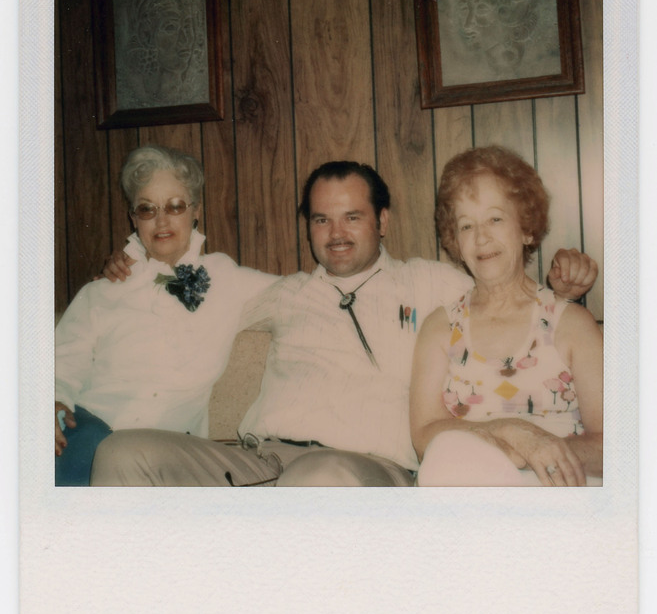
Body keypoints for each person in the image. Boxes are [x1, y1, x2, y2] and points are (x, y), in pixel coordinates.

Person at [89, 159, 598, 487]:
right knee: (123, 454)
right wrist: (136, 267)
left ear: (383, 221)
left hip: (363, 469)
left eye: (353, 217)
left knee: (319, 479)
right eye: (320, 219)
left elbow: (504, 289)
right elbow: (185, 296)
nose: (335, 233)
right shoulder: (281, 293)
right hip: (259, 463)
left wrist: (567, 289)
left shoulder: (431, 286)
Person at [54, 144, 276, 485]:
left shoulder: (226, 278)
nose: (161, 221)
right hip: (87, 432)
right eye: (147, 209)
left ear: (195, 210)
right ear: (133, 218)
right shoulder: (102, 292)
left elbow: (302, 294)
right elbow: (62, 364)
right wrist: (53, 403)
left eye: (174, 207)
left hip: (164, 453)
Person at [409, 146, 603, 487]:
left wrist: (540, 451)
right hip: (469, 487)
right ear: (455, 241)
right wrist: (515, 434)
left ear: (526, 228)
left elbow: (612, 444)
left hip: (558, 491)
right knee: (445, 458)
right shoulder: (440, 328)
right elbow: (425, 435)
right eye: (466, 225)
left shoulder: (571, 323)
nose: (481, 236)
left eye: (495, 219)